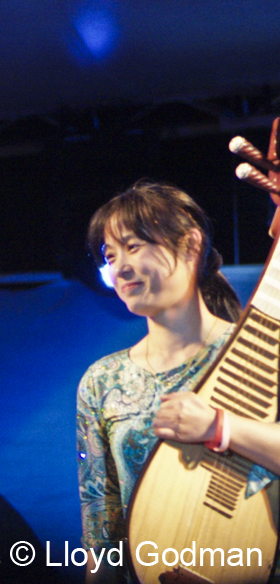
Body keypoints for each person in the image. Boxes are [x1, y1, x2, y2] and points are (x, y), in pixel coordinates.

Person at [76, 179, 280, 583]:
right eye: (109, 256)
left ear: (189, 245)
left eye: (133, 247)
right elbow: (101, 527)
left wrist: (219, 427)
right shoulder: (102, 381)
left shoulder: (262, 351)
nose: (120, 267)